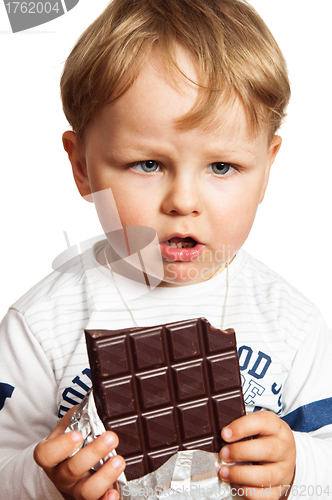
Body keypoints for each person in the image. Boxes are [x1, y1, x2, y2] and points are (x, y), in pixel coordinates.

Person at [0, 0, 331, 499]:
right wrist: (46, 482)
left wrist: (296, 469)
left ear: (268, 167)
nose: (183, 202)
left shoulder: (293, 322)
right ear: (83, 167)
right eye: (148, 164)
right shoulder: (41, 322)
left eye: (222, 166)